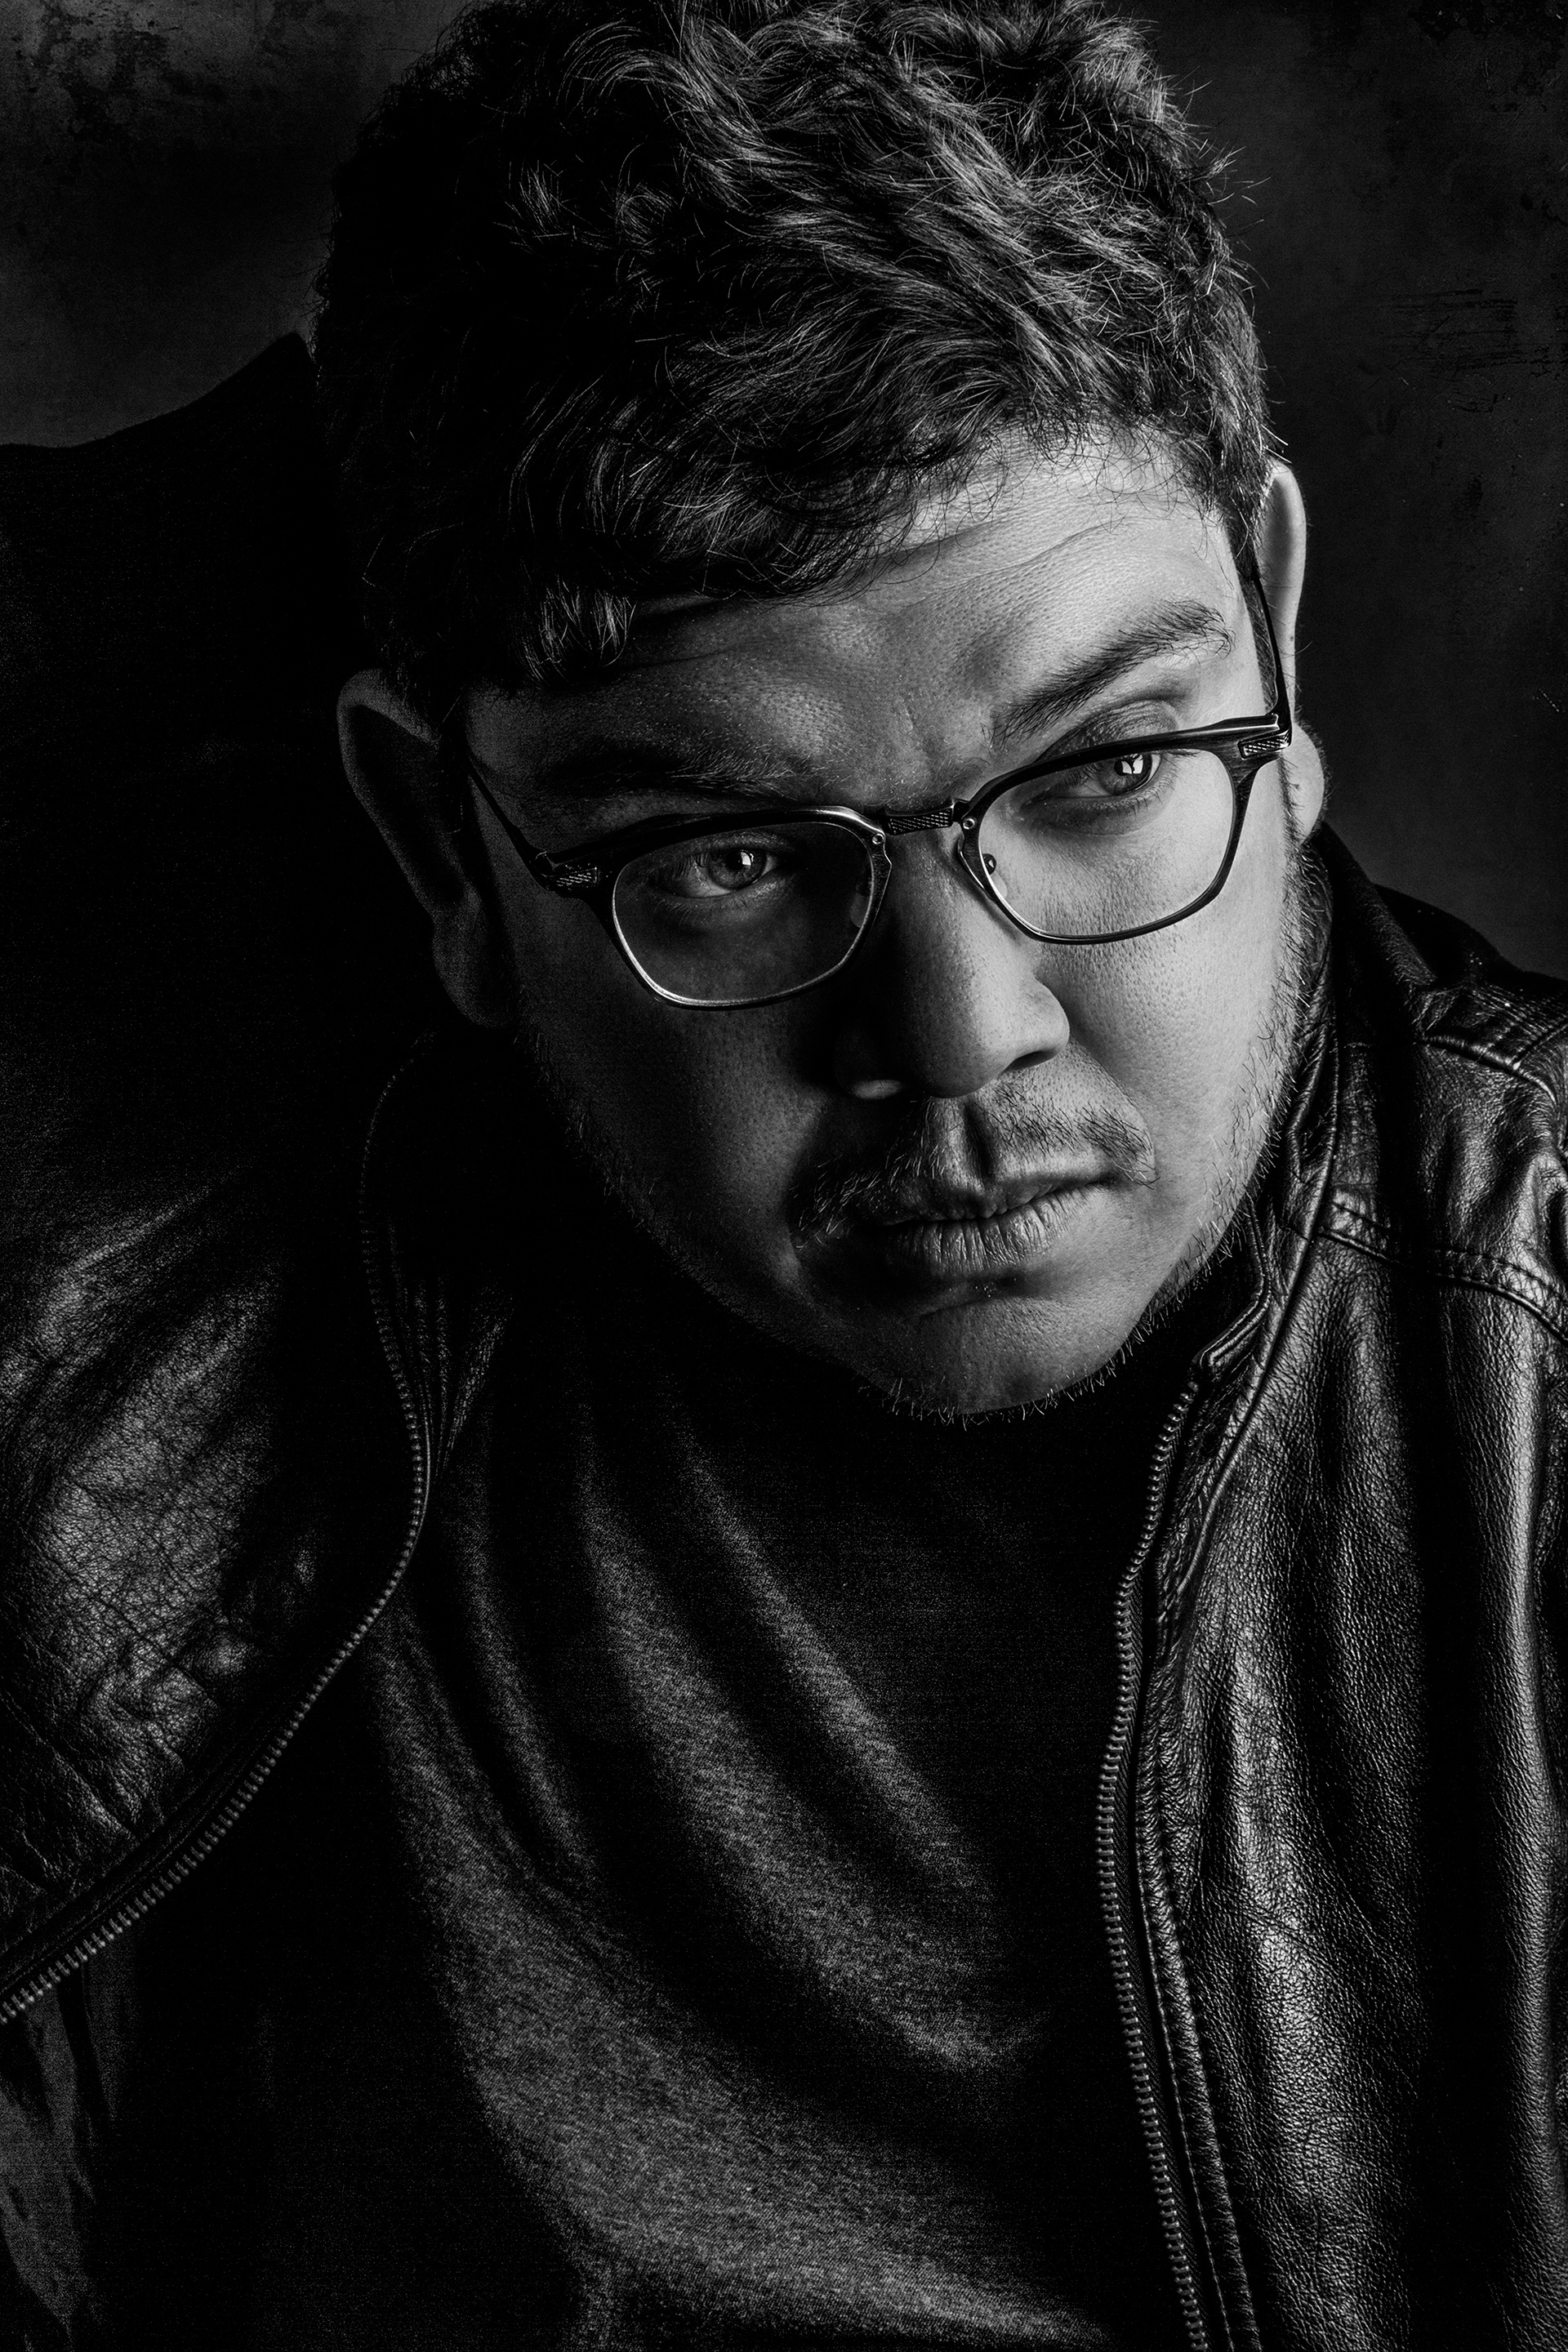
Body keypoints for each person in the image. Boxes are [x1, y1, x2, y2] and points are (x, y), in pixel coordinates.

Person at [2, 2, 1565, 2346]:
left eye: (1108, 770)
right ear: (442, 845)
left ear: (1270, 615)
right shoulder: (111, 1398)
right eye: (732, 857)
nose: (960, 1030)